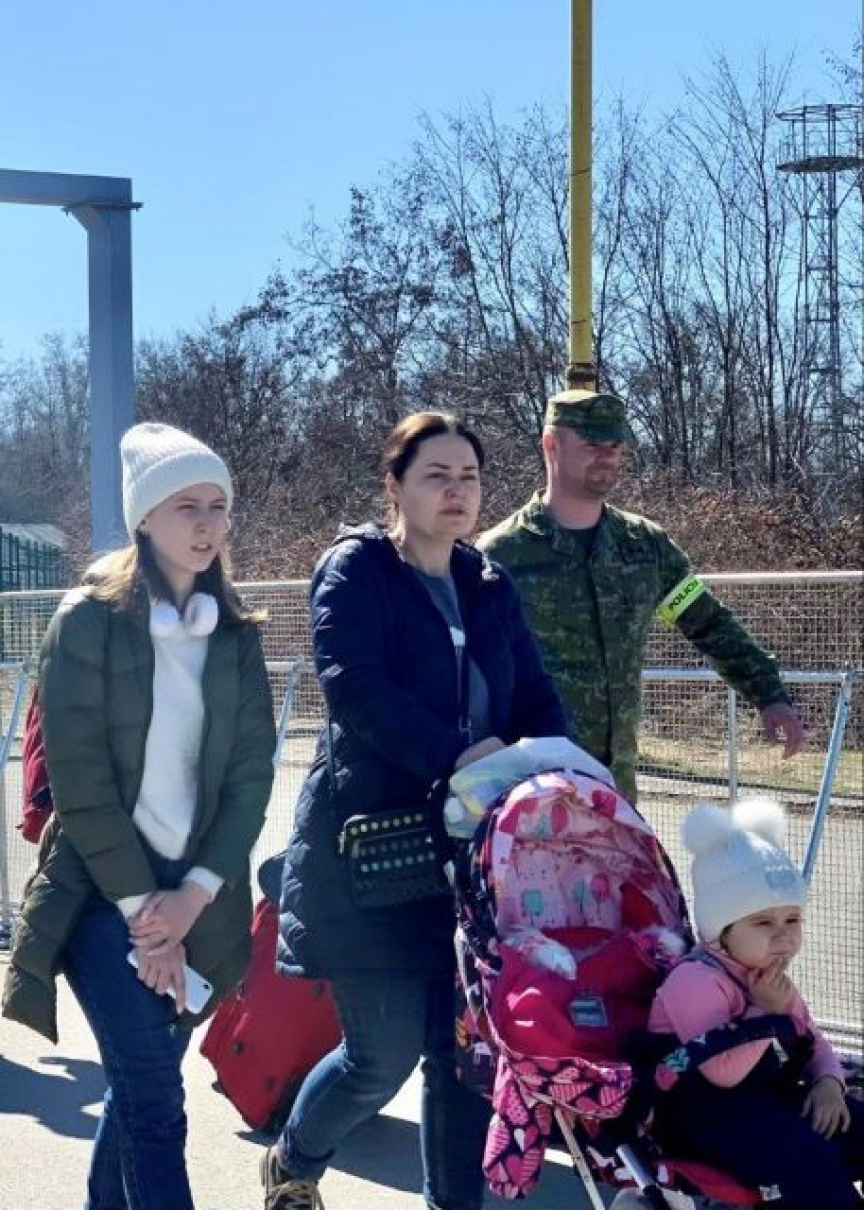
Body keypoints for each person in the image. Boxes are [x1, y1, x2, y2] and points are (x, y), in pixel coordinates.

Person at [262, 411, 569, 1210]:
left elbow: (534, 693)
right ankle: (295, 1159)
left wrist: (562, 767)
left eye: (469, 477)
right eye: (437, 475)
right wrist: (457, 756)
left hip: (471, 860)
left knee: (461, 1055)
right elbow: (355, 689)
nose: (456, 491)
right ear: (394, 485)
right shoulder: (356, 570)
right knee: (381, 1055)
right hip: (371, 855)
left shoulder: (488, 582)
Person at [2, 422, 277, 1210]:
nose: (207, 524)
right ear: (144, 518)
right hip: (100, 893)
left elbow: (251, 776)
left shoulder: (233, 633)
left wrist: (192, 896)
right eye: (187, 506)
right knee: (157, 1104)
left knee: (135, 1092)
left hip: (201, 898)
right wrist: (146, 917)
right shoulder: (86, 621)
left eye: (218, 507)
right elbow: (80, 784)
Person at [477, 389, 805, 803]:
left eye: (615, 445)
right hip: (532, 793)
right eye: (592, 443)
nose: (607, 456)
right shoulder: (500, 556)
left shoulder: (645, 548)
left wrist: (769, 694)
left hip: (618, 790)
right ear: (551, 443)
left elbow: (708, 623)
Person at [647, 797, 863, 1210]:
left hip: (761, 1102)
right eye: (763, 922)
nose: (784, 936)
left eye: (792, 919)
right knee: (808, 1157)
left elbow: (812, 1040)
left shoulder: (766, 977)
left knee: (851, 1127)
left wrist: (828, 1084)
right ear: (721, 931)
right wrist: (765, 1012)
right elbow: (722, 1074)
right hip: (701, 1117)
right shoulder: (694, 980)